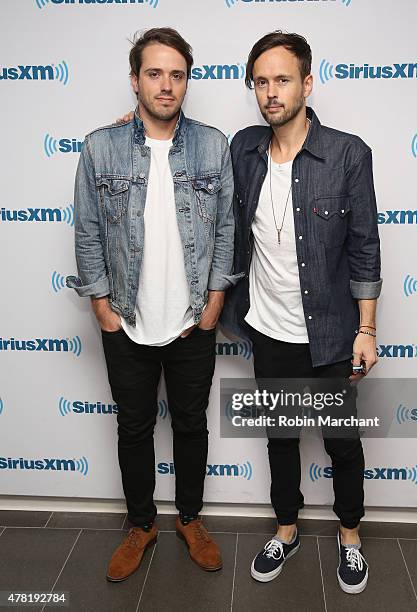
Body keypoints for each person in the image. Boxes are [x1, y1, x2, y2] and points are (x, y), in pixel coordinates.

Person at [66, 27, 241, 582]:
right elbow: (89, 231)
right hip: (126, 320)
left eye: (177, 74)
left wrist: (214, 300)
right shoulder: (100, 147)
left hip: (193, 319)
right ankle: (140, 524)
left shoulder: (215, 145)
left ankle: (191, 519)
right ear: (135, 79)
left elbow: (228, 229)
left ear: (187, 81)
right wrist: (100, 304)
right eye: (154, 73)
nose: (166, 85)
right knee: (134, 428)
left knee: (191, 425)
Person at [220, 31, 382, 594]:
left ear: (307, 83)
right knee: (281, 438)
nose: (271, 92)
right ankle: (286, 528)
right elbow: (184, 148)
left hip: (333, 332)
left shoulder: (347, 153)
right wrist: (135, 124)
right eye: (261, 81)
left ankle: (350, 536)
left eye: (282, 79)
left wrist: (367, 327)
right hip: (268, 329)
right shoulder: (243, 149)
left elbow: (364, 245)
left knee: (341, 441)